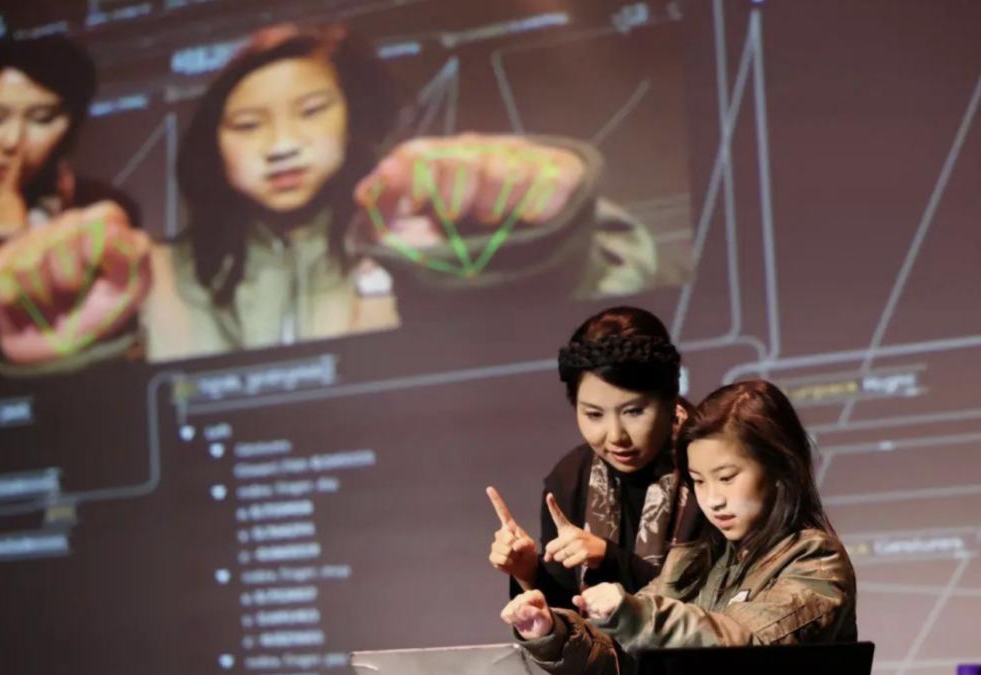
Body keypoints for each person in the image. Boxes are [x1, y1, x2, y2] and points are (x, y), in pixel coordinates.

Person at [143, 23, 667, 362]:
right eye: (248, 124)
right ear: (213, 143)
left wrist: (550, 237)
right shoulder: (154, 275)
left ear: (352, 119)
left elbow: (634, 285)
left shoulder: (420, 230)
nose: (281, 146)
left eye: (311, 111)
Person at [502, 380, 858, 673]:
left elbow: (747, 647)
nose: (712, 499)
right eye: (699, 481)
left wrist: (632, 614)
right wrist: (553, 632)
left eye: (727, 477)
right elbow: (616, 656)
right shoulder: (690, 562)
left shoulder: (815, 561)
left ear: (780, 469)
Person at [0, 36, 150, 389]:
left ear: (70, 129)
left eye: (42, 119)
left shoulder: (100, 212)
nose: (12, 141)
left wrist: (16, 244)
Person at [487, 306, 701, 611]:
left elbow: (723, 604)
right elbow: (568, 615)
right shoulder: (570, 479)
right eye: (594, 414)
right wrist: (527, 572)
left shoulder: (710, 467)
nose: (616, 436)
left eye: (634, 412)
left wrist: (609, 558)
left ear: (670, 397)